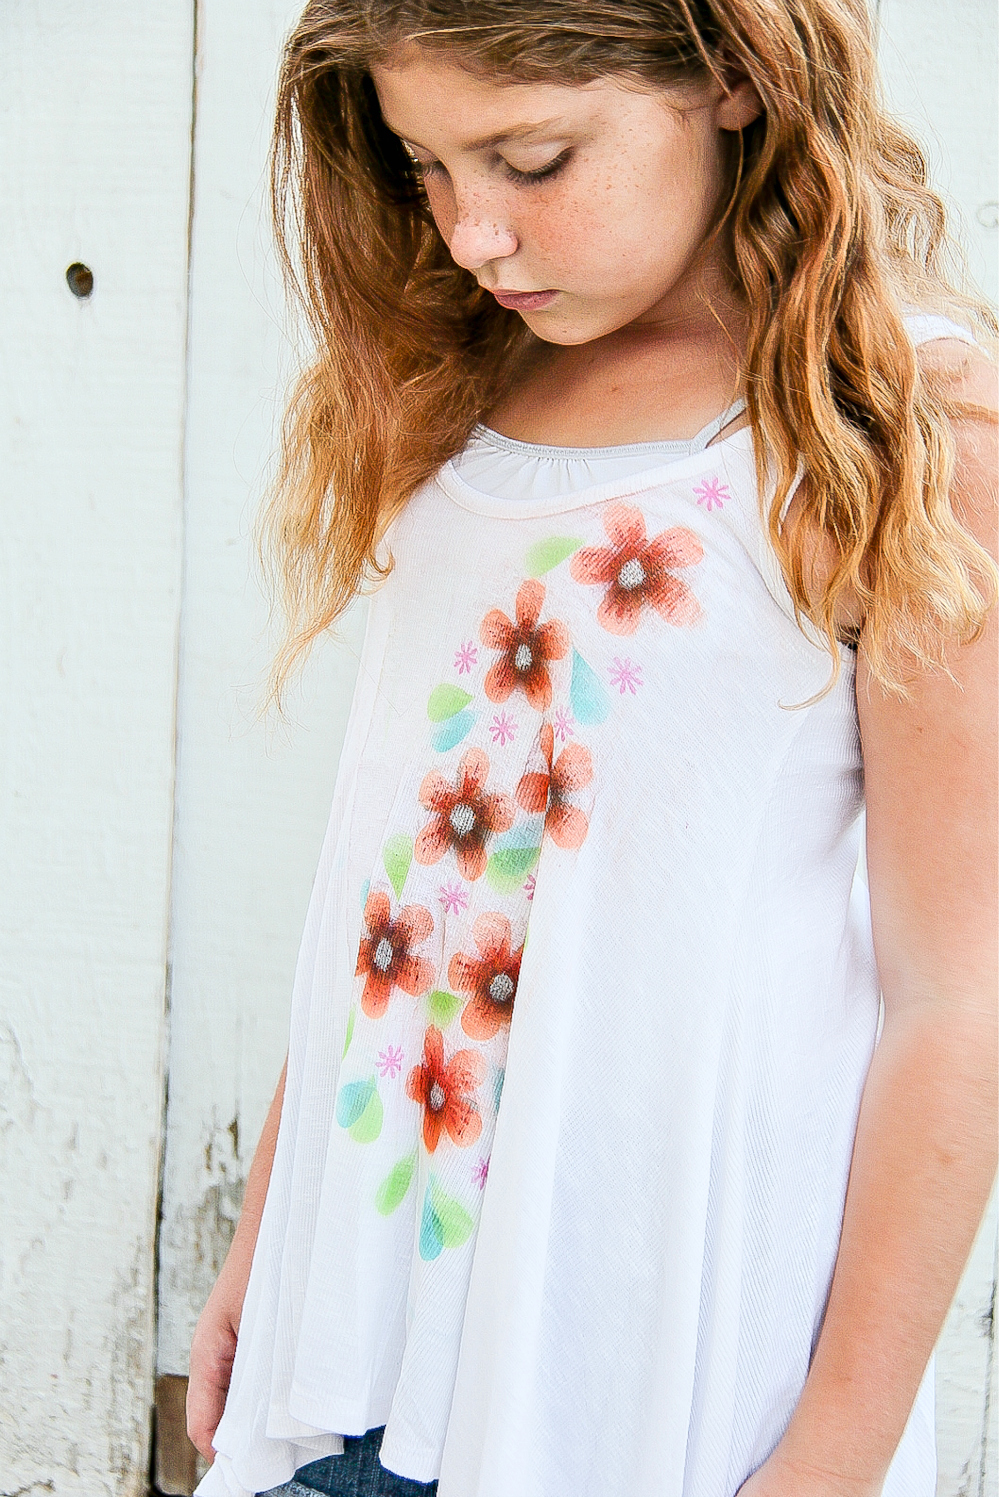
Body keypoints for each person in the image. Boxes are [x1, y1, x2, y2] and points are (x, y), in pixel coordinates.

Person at [186, 3, 998, 1495]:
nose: (475, 235)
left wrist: (836, 1451)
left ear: (737, 76)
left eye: (533, 158)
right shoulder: (470, 383)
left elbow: (958, 999)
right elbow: (403, 864)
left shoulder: (886, 432)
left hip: (639, 1391)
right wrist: (267, 1240)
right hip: (349, 1355)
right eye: (427, 165)